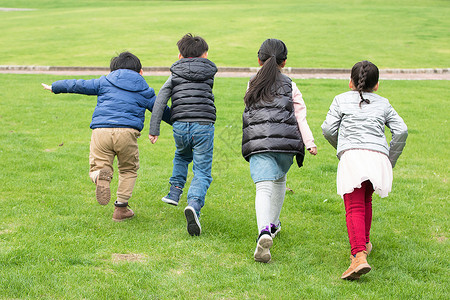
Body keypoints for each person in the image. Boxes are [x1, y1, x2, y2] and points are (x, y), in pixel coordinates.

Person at [42, 51, 171, 222]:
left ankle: (99, 177)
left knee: (99, 167)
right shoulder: (144, 90)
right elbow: (161, 110)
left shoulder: (105, 81)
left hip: (101, 131)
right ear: (141, 72)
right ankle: (121, 210)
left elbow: (78, 85)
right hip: (127, 133)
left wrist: (56, 86)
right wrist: (183, 119)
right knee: (128, 170)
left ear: (113, 71)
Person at [321, 60, 408, 280]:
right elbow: (402, 131)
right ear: (376, 85)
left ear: (350, 82)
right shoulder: (384, 103)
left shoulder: (340, 100)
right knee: (366, 201)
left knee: (354, 207)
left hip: (354, 157)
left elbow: (328, 129)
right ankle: (365, 244)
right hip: (377, 157)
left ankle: (358, 256)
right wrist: (389, 158)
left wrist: (343, 148)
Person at [242, 39, 317, 263]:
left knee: (263, 188)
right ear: (284, 62)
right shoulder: (290, 84)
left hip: (260, 144)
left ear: (259, 59)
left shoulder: (252, 84)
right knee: (280, 179)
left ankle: (264, 230)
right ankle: (273, 225)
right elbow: (300, 116)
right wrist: (310, 142)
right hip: (286, 145)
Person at [149, 33, 217, 236]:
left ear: (179, 56)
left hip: (179, 126)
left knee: (181, 155)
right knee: (202, 170)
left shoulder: (175, 75)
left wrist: (154, 130)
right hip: (204, 125)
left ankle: (174, 192)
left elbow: (160, 100)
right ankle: (194, 204)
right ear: (205, 55)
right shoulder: (209, 72)